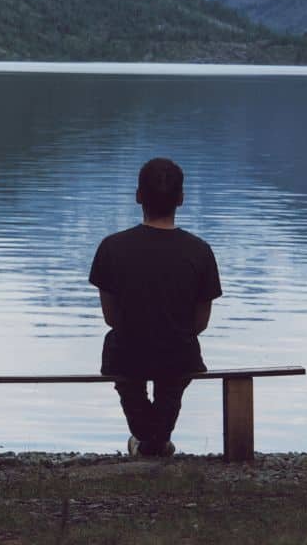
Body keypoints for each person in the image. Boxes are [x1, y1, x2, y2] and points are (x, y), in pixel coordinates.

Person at [88, 157, 222, 457]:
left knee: (123, 358)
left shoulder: (112, 247)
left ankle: (148, 438)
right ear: (181, 199)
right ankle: (156, 438)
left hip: (127, 354)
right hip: (178, 355)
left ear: (138, 197)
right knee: (176, 366)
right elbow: (200, 323)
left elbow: (111, 318)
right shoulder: (200, 251)